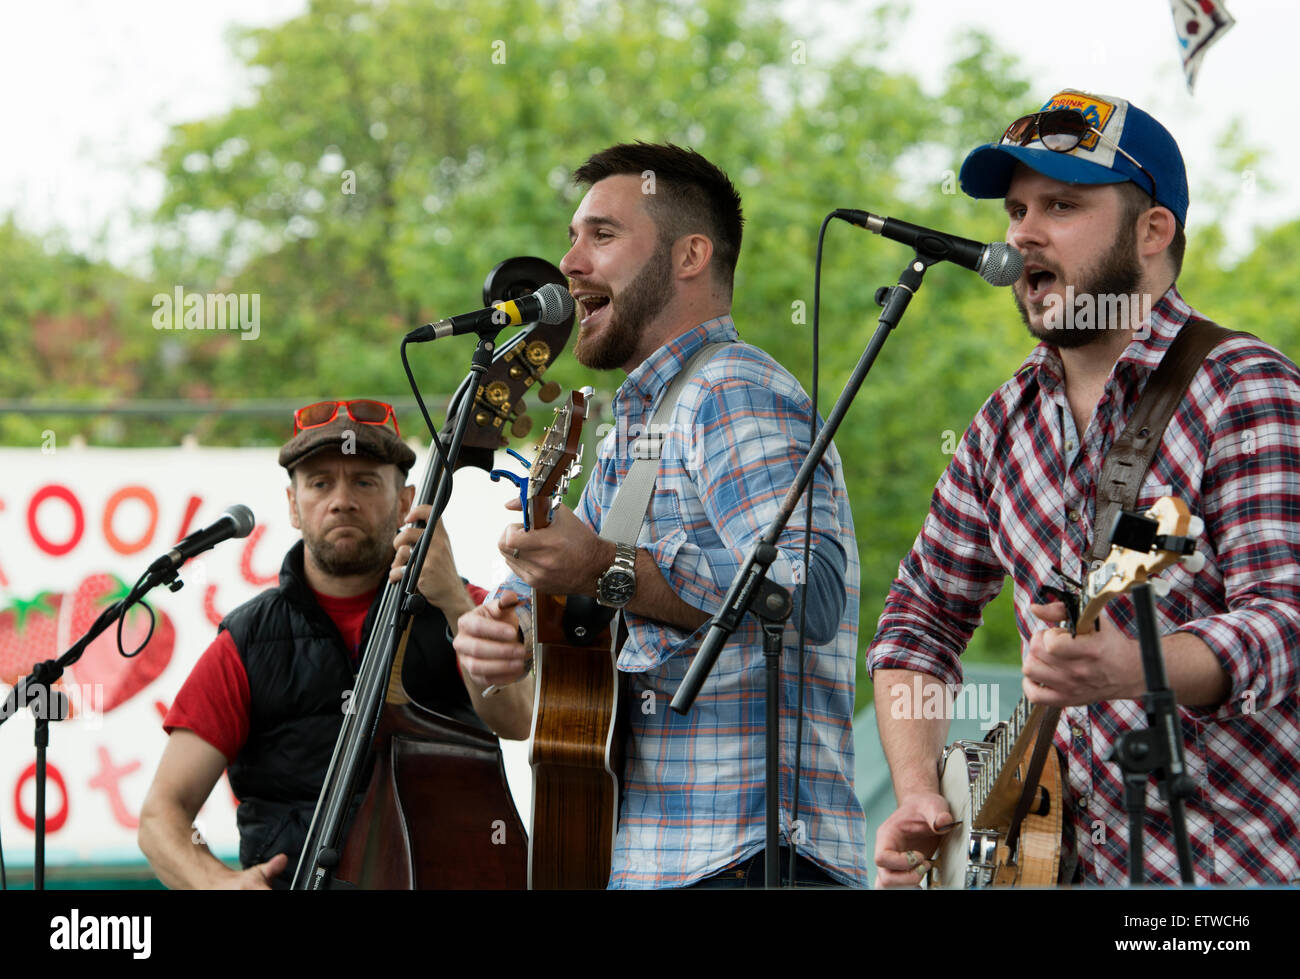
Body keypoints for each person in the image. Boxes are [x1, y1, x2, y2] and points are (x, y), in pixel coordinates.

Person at [869, 89, 1300, 887]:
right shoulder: (1003, 424)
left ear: (1152, 230)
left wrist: (1137, 666)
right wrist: (920, 793)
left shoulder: (1244, 387)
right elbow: (916, 620)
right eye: (1016, 209)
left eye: (1061, 205)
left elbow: (1288, 621)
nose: (1022, 233)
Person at [451, 142, 869, 888]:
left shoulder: (734, 389)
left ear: (689, 255)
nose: (569, 263)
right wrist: (496, 633)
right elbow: (555, 609)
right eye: (572, 237)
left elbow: (808, 598)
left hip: (751, 857)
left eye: (601, 236)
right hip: (654, 862)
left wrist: (602, 570)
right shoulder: (637, 429)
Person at [138, 400, 521, 889]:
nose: (342, 500)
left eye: (364, 481)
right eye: (320, 483)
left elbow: (517, 718)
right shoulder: (248, 641)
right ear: (294, 506)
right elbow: (161, 816)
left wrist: (450, 601)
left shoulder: (467, 608)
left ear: (405, 502)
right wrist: (217, 883)